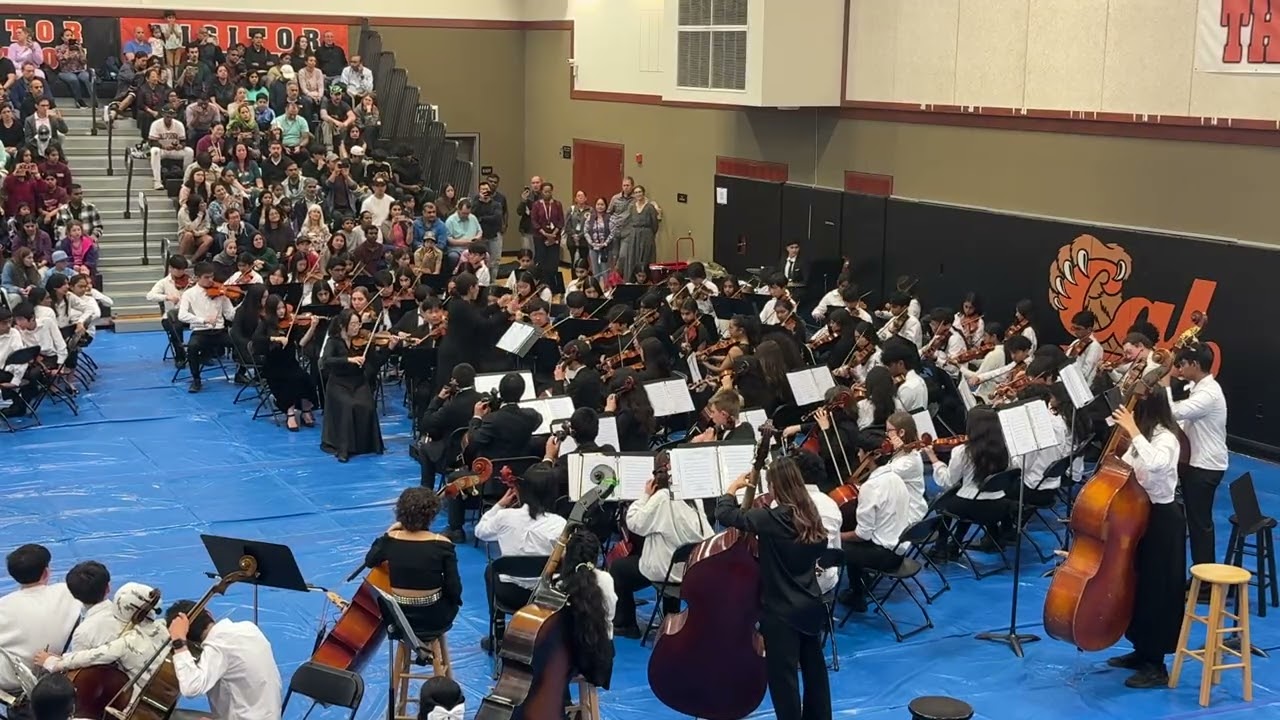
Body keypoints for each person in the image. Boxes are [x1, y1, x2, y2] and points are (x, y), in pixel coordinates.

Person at [715, 456, 831, 720]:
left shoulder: (775, 518)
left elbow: (726, 515)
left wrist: (732, 489)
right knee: (816, 674)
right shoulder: (811, 513)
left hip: (781, 612)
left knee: (784, 681)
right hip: (811, 603)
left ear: (775, 487)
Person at [1104, 392, 1187, 688]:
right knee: (1138, 586)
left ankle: (1156, 664)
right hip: (1139, 516)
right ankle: (1141, 650)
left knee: (1158, 589)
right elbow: (1125, 467)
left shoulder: (1166, 439)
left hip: (1163, 522)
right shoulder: (1145, 436)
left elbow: (1156, 466)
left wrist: (1134, 431)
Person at [610, 451, 712, 638]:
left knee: (618, 568)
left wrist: (645, 496)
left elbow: (635, 522)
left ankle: (626, 624)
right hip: (691, 568)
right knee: (667, 549)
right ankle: (670, 616)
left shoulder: (662, 497)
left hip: (666, 571)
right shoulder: (693, 495)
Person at [474, 464, 566, 652]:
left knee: (491, 569)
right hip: (544, 595)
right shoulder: (559, 524)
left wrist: (499, 505)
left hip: (510, 593)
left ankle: (497, 632)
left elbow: (480, 531)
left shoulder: (505, 517)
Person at [35, 582, 169, 696]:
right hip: (166, 689)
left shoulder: (126, 642)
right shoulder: (163, 627)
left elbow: (89, 657)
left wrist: (52, 662)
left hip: (142, 696)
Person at [363, 487, 461, 640]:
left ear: (400, 513)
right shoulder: (443, 545)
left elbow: (370, 561)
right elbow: (454, 588)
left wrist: (388, 533)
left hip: (398, 619)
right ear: (432, 515)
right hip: (434, 619)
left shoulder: (390, 540)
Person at [166, 601, 283, 720]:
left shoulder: (218, 645)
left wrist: (179, 642)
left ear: (190, 641)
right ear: (209, 614)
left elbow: (191, 688)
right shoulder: (249, 627)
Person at [1168, 343, 1228, 571]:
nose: (1179, 369)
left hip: (1205, 467)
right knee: (1197, 524)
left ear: (1195, 364)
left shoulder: (1208, 394)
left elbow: (1174, 412)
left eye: (1182, 364)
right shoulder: (1199, 387)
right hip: (1200, 463)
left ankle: (1204, 582)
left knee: (1199, 526)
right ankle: (1203, 575)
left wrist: (1164, 382)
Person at [0, 544, 81, 693]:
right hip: (52, 671)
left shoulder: (3, 606)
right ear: (46, 572)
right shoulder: (67, 592)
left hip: (10, 681)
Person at [320, 308, 384, 462]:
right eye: (353, 324)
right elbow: (326, 361)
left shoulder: (363, 341)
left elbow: (376, 363)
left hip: (358, 382)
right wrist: (348, 359)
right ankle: (344, 448)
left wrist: (389, 348)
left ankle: (367, 444)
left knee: (367, 405)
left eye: (358, 323)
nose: (357, 327)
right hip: (338, 383)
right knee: (348, 405)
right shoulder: (333, 341)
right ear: (343, 325)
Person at [556, 529, 616, 689]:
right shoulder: (606, 579)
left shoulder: (559, 584)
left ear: (567, 556)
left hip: (568, 661)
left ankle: (559, 700)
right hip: (600, 661)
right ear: (596, 557)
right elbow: (610, 616)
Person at [253, 295, 319, 431]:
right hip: (273, 366)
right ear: (272, 310)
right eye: (278, 309)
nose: (282, 311)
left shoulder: (291, 323)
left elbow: (301, 343)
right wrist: (275, 338)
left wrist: (312, 328)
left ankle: (306, 411)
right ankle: (290, 414)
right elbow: (257, 339)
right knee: (288, 382)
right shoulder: (265, 323)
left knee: (306, 379)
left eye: (283, 307)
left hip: (291, 363)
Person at [177, 262, 236, 393]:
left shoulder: (220, 292)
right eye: (207, 277)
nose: (211, 281)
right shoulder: (189, 294)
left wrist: (242, 306)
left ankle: (241, 374)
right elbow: (182, 315)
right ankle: (196, 380)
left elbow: (230, 315)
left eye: (212, 277)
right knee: (192, 347)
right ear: (197, 278)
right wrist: (202, 320)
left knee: (240, 343)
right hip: (200, 332)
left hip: (219, 331)